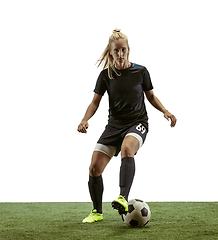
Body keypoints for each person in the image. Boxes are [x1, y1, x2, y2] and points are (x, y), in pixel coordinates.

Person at [77, 29, 177, 223]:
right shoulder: (105, 76)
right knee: (94, 168)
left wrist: (165, 111)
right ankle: (97, 212)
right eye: (116, 51)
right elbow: (95, 102)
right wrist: (84, 120)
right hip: (114, 126)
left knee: (126, 149)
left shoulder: (141, 71)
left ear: (128, 49)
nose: (120, 54)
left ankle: (122, 197)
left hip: (137, 123)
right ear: (110, 52)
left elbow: (150, 96)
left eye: (124, 50)